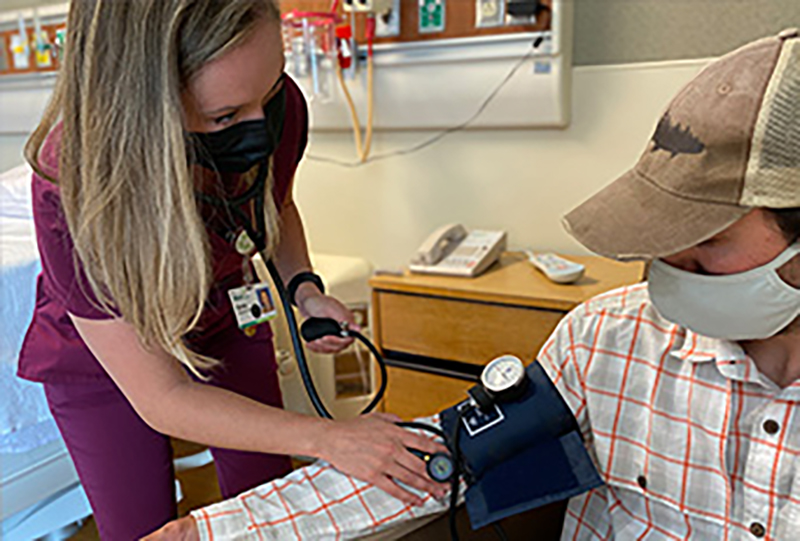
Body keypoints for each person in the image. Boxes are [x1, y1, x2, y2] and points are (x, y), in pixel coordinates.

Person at [144, 29, 800, 540]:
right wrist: (208, 526)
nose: (669, 260)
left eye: (710, 241)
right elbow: (436, 459)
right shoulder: (606, 341)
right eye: (664, 230)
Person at [18, 1, 446, 539]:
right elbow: (163, 398)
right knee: (141, 529)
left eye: (266, 96)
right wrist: (329, 438)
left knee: (269, 500)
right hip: (106, 358)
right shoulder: (72, 185)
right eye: (225, 116)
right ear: (145, 106)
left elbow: (275, 204)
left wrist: (304, 289)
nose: (260, 127)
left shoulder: (277, 106)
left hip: (222, 310)